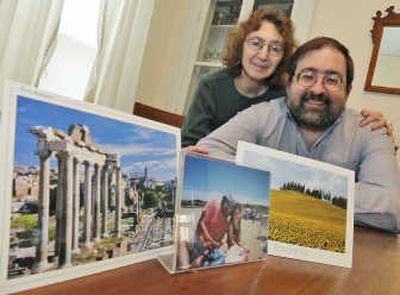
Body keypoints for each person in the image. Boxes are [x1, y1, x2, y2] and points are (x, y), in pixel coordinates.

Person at [194, 37, 400, 234]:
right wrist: (326, 195)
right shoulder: (261, 115)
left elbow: (391, 209)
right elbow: (202, 155)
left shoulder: (370, 130)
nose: (318, 89)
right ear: (289, 82)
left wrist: (274, 184)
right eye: (308, 76)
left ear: (348, 89)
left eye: (332, 79)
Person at [181, 8, 393, 148]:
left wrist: (372, 127)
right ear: (241, 45)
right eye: (256, 43)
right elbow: (190, 145)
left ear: (284, 56)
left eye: (275, 48)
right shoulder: (211, 86)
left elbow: (325, 113)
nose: (263, 55)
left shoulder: (287, 93)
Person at [177, 195, 233, 269]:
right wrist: (212, 241)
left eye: (231, 208)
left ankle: (188, 267)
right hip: (198, 241)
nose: (228, 210)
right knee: (182, 235)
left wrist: (202, 256)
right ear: (223, 201)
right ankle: (184, 270)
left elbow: (219, 243)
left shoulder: (227, 223)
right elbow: (201, 222)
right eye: (227, 204)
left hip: (207, 249)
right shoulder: (214, 204)